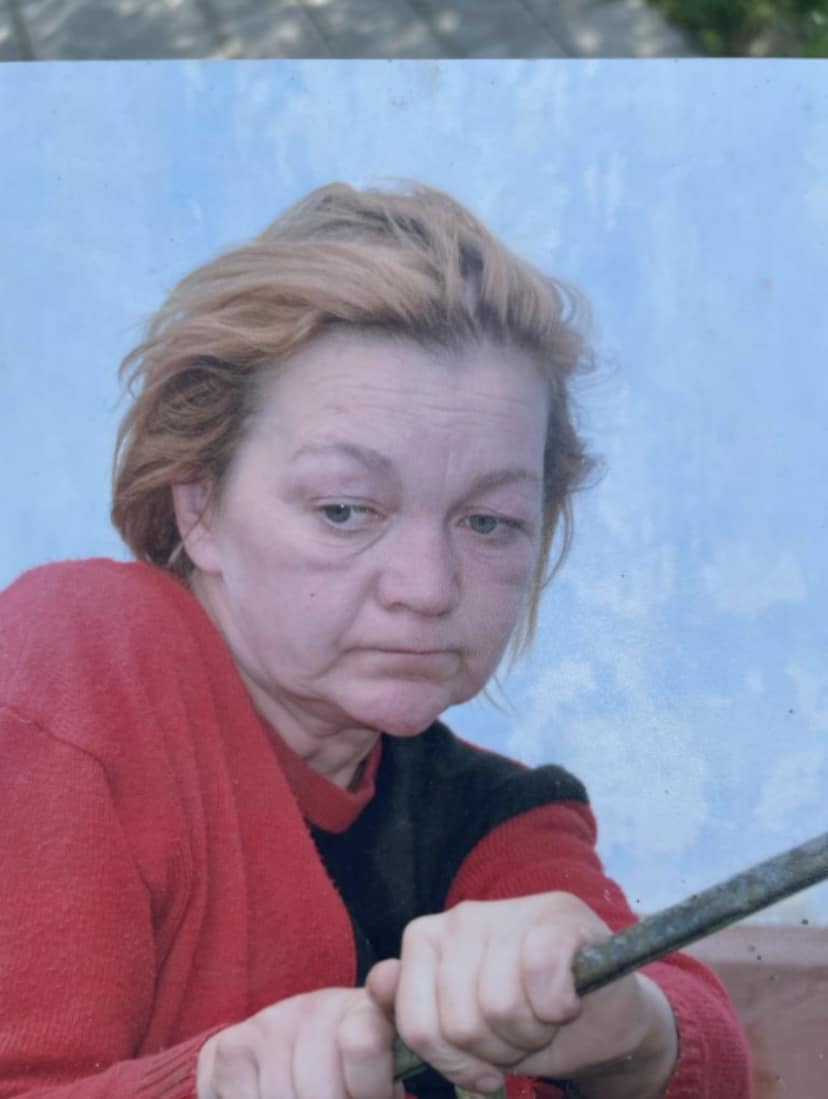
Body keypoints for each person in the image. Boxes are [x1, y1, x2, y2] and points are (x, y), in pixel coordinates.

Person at [0, 182, 752, 1099]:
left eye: (487, 522)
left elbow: (707, 1046)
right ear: (199, 508)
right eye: (345, 509)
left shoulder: (495, 815)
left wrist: (625, 1021)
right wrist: (205, 1085)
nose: (426, 589)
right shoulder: (78, 660)